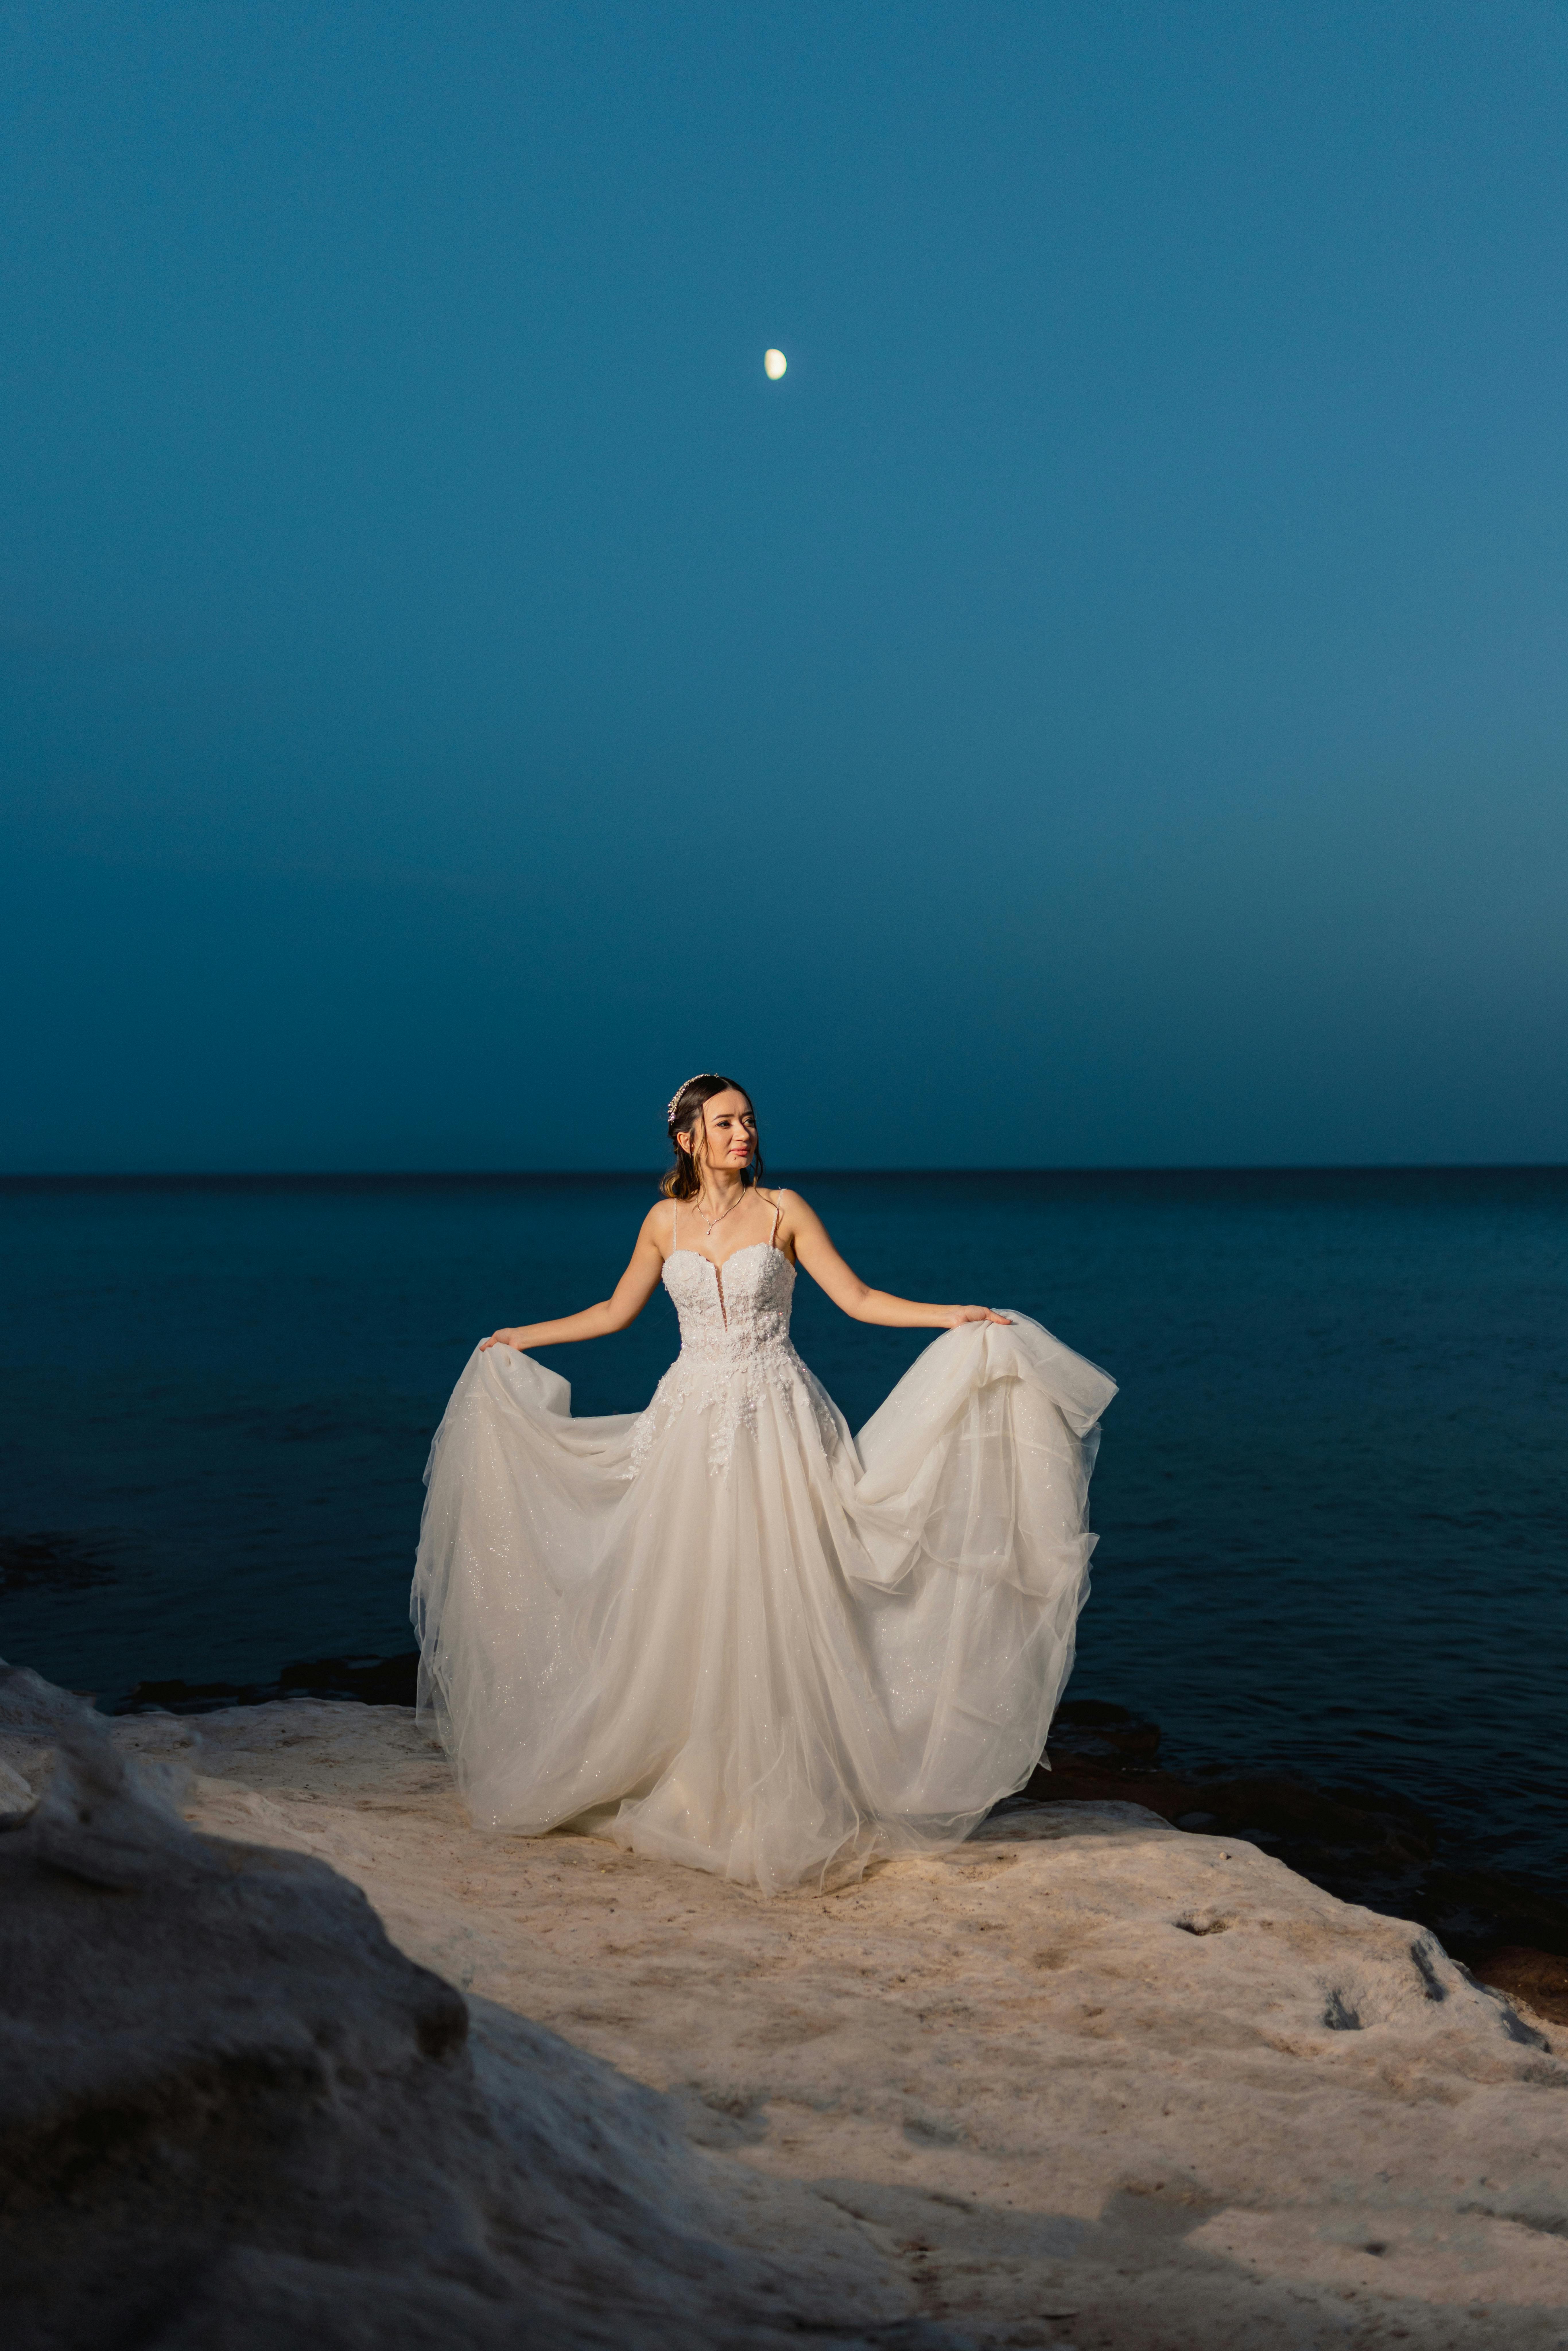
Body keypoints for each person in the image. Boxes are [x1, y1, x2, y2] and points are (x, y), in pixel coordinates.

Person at [412, 1073, 1115, 1894]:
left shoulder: (784, 1211)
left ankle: (786, 1783)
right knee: (695, 1591)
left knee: (783, 1591)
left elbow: (856, 1299)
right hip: (688, 1424)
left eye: (748, 1120)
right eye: (725, 1123)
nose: (744, 1133)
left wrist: (950, 1314)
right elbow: (612, 1312)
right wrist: (517, 1338)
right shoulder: (662, 1221)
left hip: (777, 1418)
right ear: (688, 1137)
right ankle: (699, 1778)